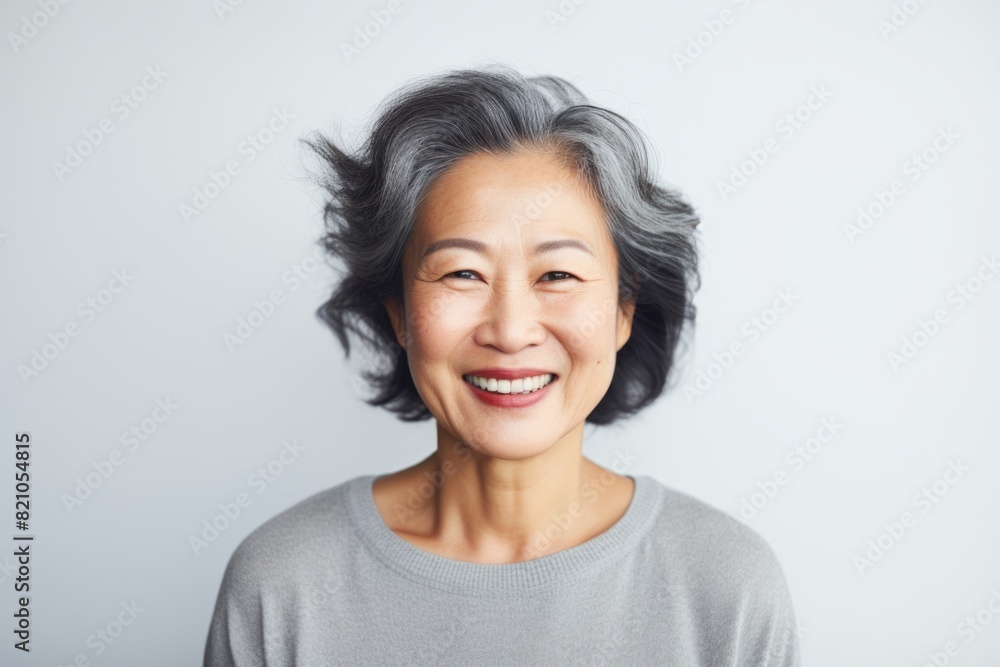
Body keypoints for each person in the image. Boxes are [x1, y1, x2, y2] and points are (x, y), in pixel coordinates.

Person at [203, 63, 800, 666]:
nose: (511, 332)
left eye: (558, 275)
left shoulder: (727, 589)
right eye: (463, 273)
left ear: (623, 312)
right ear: (401, 313)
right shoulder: (282, 586)